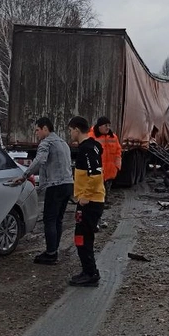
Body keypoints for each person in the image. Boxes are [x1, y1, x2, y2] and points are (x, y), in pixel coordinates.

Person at [10, 117, 73, 265]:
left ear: (45, 128)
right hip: (68, 184)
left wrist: (25, 175)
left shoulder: (47, 142)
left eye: (37, 130)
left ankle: (50, 254)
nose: (36, 134)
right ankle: (54, 250)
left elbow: (39, 161)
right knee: (58, 219)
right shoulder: (64, 144)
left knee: (49, 219)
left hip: (55, 186)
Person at [68, 115, 105, 286]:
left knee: (83, 237)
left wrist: (85, 196)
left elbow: (95, 175)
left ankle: (91, 273)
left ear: (76, 129)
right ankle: (88, 270)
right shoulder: (92, 147)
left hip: (90, 202)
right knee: (82, 237)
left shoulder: (87, 149)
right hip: (91, 200)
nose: (70, 134)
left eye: (70, 130)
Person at [93, 116, 123, 205]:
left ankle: (105, 201)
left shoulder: (113, 137)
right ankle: (99, 203)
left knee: (107, 188)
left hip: (110, 169)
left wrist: (117, 166)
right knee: (97, 189)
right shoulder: (92, 136)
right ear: (99, 126)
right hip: (98, 169)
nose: (108, 127)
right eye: (105, 125)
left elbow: (118, 151)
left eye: (109, 125)